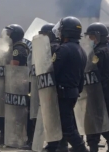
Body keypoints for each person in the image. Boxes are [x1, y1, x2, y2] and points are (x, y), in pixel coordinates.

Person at [42, 16, 88, 152]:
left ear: (66, 32)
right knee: (58, 123)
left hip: (63, 93)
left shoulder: (64, 49)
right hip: (72, 92)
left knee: (68, 129)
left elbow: (53, 71)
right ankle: (52, 148)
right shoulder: (80, 50)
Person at [85, 22, 109, 152]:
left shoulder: (100, 52)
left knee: (97, 120)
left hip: (101, 91)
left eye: (92, 37)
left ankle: (94, 146)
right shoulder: (107, 49)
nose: (91, 40)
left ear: (99, 36)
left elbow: (92, 70)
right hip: (103, 91)